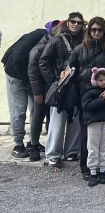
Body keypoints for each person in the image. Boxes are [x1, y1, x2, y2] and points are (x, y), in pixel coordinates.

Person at [70, 17, 105, 179]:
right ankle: (87, 167)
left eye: (100, 29)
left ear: (104, 30)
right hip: (86, 95)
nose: (97, 32)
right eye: (93, 29)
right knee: (88, 133)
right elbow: (72, 69)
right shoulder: (79, 49)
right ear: (89, 31)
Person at [39, 12, 85, 167]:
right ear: (68, 22)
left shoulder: (85, 40)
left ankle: (71, 152)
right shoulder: (57, 40)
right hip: (62, 86)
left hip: (78, 85)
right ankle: (53, 154)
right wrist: (54, 81)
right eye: (73, 21)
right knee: (57, 121)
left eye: (79, 22)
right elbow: (43, 62)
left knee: (75, 120)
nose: (76, 24)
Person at [2, 24, 54, 159]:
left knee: (35, 110)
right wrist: (27, 82)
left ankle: (33, 142)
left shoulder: (56, 40)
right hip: (15, 74)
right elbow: (17, 57)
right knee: (18, 110)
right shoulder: (38, 35)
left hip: (31, 78)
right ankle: (18, 144)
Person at [27, 20, 62, 161]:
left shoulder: (56, 45)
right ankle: (34, 146)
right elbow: (33, 72)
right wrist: (37, 93)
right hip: (40, 88)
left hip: (51, 87)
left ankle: (50, 145)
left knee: (50, 117)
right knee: (37, 116)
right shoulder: (38, 49)